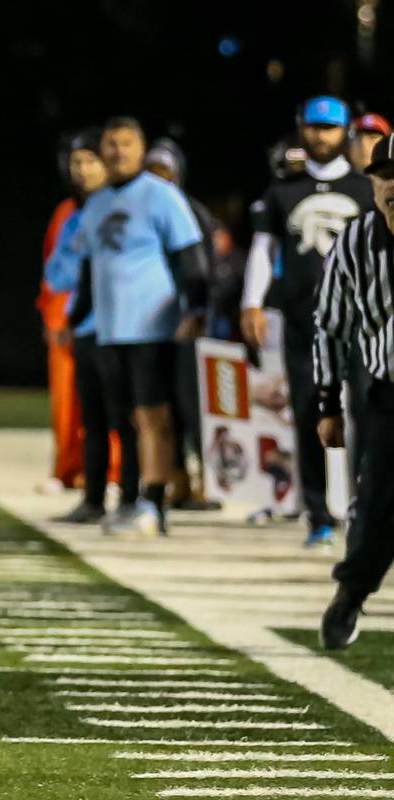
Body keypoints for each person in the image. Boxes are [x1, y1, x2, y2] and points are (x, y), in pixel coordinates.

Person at [241, 96, 372, 548]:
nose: (321, 136)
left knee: (366, 415)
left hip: (361, 321)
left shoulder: (366, 188)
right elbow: (262, 249)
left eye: (330, 128)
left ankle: (365, 507)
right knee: (308, 414)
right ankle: (318, 512)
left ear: (345, 133)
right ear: (301, 129)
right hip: (304, 322)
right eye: (314, 127)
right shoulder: (282, 190)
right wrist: (251, 303)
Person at [67, 117, 208, 537]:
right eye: (111, 144)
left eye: (127, 144)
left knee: (153, 417)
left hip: (152, 326)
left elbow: (191, 257)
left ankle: (154, 501)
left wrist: (195, 308)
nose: (118, 152)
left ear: (142, 148)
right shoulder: (95, 204)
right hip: (110, 329)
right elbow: (91, 267)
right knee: (125, 419)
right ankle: (130, 500)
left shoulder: (161, 196)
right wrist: (77, 319)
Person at [313, 133, 394, 649]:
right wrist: (328, 402)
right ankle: (351, 595)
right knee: (378, 507)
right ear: (371, 181)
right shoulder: (356, 241)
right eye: (387, 176)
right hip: (390, 393)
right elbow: (331, 325)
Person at [45, 129, 133, 522]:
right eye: (76, 163)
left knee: (130, 418)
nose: (81, 171)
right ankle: (94, 498)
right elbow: (58, 273)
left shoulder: (136, 202)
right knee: (94, 417)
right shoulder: (77, 214)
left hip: (131, 325)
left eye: (90, 161)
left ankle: (135, 498)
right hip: (90, 326)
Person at [143, 137, 222, 511]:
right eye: (152, 172)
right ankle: (178, 479)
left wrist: (201, 312)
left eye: (165, 172)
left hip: (187, 322)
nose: (159, 180)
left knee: (193, 404)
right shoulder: (140, 209)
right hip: (151, 323)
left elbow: (209, 270)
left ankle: (209, 479)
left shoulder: (193, 212)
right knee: (163, 405)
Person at [37, 138, 84, 492]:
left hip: (106, 318)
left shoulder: (113, 207)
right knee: (66, 401)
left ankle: (110, 472)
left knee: (105, 403)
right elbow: (53, 271)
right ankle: (66, 469)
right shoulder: (65, 212)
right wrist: (53, 318)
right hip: (66, 318)